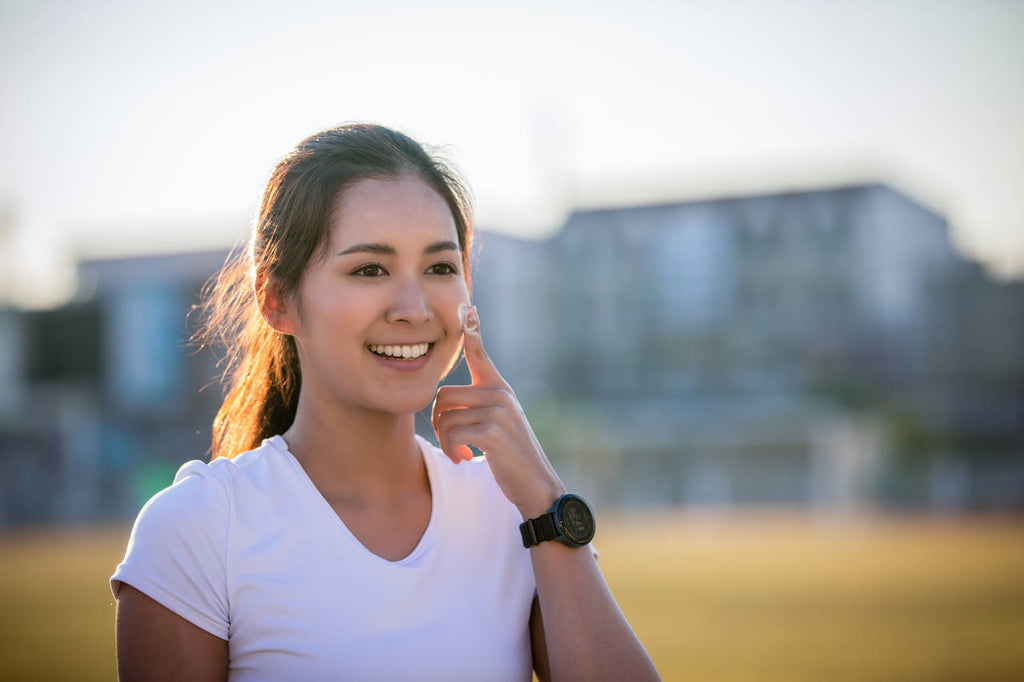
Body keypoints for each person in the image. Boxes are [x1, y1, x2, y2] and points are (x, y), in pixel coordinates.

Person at [110, 123, 660, 681]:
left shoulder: (515, 514)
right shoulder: (199, 528)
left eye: (440, 267)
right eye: (369, 269)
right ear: (278, 300)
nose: (414, 307)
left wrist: (546, 501)